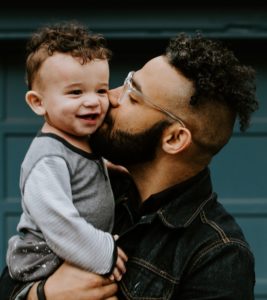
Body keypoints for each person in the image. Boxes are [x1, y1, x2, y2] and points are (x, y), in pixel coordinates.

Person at [0, 32, 258, 299]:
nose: (108, 98)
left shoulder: (218, 255)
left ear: (174, 138)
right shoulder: (91, 183)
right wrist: (41, 294)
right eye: (124, 84)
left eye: (133, 96)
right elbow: (14, 276)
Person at [4, 21, 127, 286]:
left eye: (101, 90)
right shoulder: (48, 159)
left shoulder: (81, 140)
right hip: (44, 259)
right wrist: (104, 252)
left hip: (73, 251)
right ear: (38, 103)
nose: (93, 100)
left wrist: (107, 168)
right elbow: (58, 221)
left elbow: (80, 170)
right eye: (75, 92)